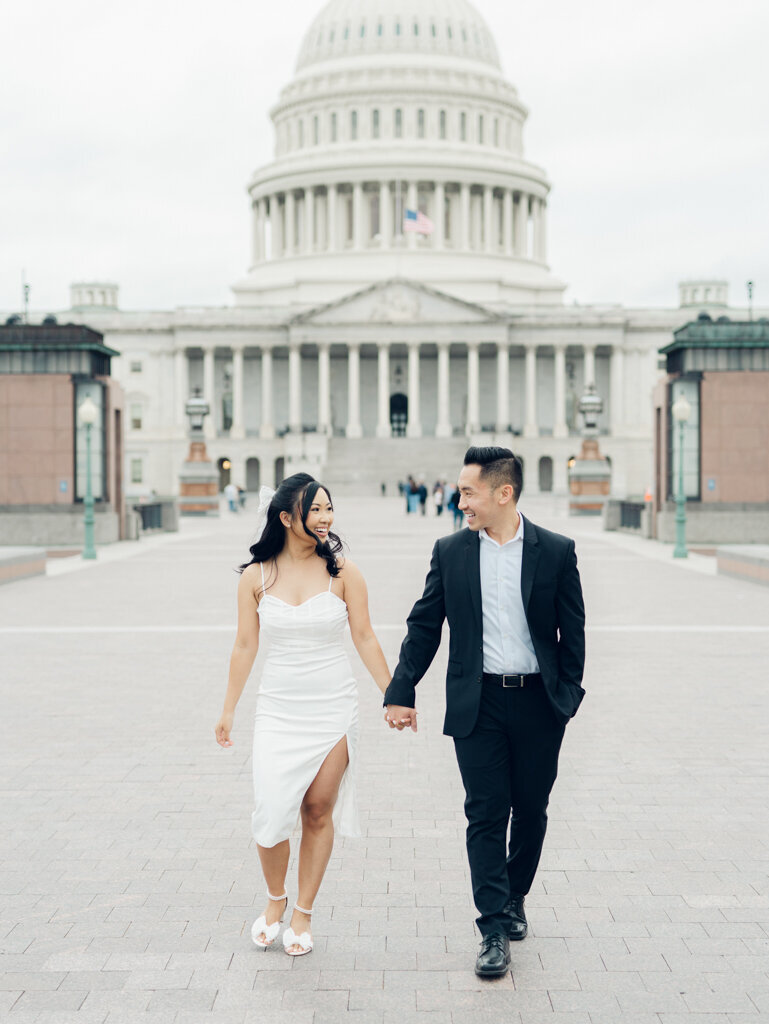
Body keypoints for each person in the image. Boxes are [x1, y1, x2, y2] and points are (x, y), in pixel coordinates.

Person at [384, 447, 585, 978]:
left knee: (532, 808)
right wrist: (401, 688)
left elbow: (573, 633)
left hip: (540, 701)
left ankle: (515, 895)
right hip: (480, 703)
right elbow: (425, 625)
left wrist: (568, 697)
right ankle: (493, 926)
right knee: (486, 811)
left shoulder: (557, 551)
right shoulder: (450, 551)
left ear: (504, 494)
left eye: (469, 491)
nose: (460, 500)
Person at [215, 473, 391, 957]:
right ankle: (275, 899)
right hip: (278, 709)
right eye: (315, 510)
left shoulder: (344, 573)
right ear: (286, 517)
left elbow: (366, 636)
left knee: (317, 810)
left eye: (328, 509)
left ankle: (303, 913)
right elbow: (244, 645)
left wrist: (394, 693)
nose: (325, 518)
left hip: (333, 706)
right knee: (271, 813)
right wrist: (229, 708)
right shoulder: (257, 576)